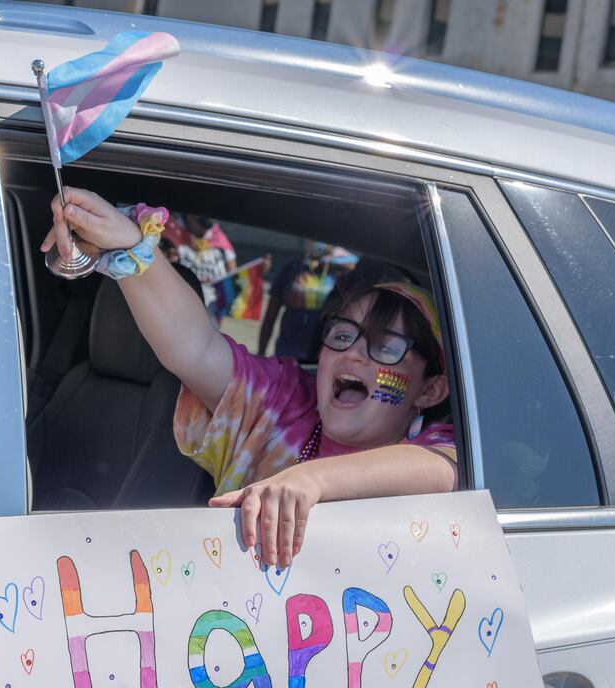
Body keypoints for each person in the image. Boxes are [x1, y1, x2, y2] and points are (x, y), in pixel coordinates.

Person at [43, 188, 456, 569]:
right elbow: (198, 348)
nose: (352, 352)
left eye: (385, 347)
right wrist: (131, 246)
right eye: (342, 335)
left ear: (430, 388)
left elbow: (445, 467)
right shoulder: (280, 403)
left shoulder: (438, 447)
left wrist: (308, 480)